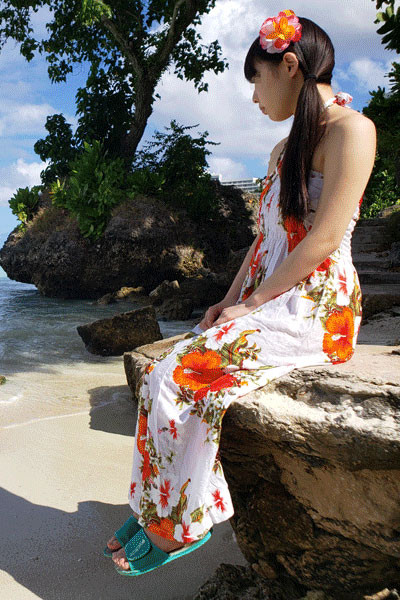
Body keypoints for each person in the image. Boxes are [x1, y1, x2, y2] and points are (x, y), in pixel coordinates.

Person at [103, 10, 377, 576]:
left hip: (317, 308)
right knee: (159, 374)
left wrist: (252, 304)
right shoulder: (282, 151)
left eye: (257, 78)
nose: (253, 96)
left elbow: (325, 237)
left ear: (290, 66)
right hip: (272, 298)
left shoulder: (352, 131)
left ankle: (178, 524)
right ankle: (156, 505)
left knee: (182, 378)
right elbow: (264, 244)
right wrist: (229, 300)